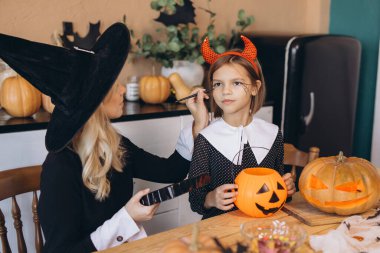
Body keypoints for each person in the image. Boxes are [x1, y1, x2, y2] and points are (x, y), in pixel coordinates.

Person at [0, 23, 206, 252]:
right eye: (113, 85)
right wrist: (126, 219)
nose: (122, 90)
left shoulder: (114, 144)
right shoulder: (60, 168)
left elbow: (171, 171)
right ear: (93, 101)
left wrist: (197, 122)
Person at [186, 35, 296, 219]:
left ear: (255, 87)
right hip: (219, 229)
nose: (225, 91)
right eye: (218, 84)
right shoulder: (206, 139)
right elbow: (196, 200)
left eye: (236, 83)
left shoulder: (273, 134)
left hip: (262, 225)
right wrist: (212, 199)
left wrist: (287, 190)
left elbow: (275, 191)